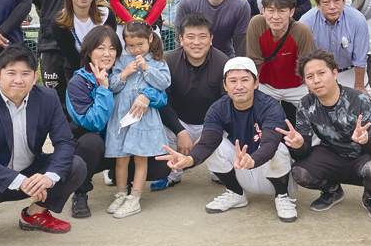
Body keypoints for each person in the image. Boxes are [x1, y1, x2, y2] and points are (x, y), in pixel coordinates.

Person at [0, 44, 87, 246]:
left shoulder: (48, 97)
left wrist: (49, 177)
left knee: (76, 165)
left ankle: (35, 214)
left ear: (35, 77)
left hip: (31, 172)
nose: (18, 80)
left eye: (25, 73)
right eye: (11, 73)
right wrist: (18, 180)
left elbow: (65, 142)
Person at [157, 57, 297, 222]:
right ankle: (235, 193)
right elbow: (208, 141)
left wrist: (253, 159)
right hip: (241, 169)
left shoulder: (270, 106)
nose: (239, 86)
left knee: (279, 149)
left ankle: (282, 196)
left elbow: (270, 144)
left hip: (271, 172)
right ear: (225, 85)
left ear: (256, 83)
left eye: (245, 80)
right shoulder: (218, 108)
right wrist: (188, 160)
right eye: (233, 81)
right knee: (214, 145)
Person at [65, 25, 171, 217]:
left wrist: (147, 93)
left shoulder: (153, 62)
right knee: (100, 147)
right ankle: (85, 192)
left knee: (148, 160)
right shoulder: (80, 81)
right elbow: (95, 121)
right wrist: (106, 85)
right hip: (101, 138)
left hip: (139, 123)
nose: (107, 53)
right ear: (88, 51)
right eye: (100, 48)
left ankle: (133, 196)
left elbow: (163, 92)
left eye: (112, 48)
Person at [281, 49, 371, 220]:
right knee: (299, 171)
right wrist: (298, 145)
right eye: (309, 76)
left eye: (321, 73)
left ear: (334, 73)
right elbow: (304, 151)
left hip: (363, 156)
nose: (316, 80)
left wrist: (365, 140)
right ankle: (332, 190)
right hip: (331, 155)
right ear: (305, 81)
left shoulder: (360, 100)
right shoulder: (306, 104)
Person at [148, 13, 229, 192]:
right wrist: (180, 130)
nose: (196, 42)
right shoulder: (168, 61)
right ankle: (171, 173)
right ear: (181, 39)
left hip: (211, 122)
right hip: (179, 121)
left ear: (211, 39)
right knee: (158, 123)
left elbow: (226, 103)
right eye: (190, 37)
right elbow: (161, 102)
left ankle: (218, 171)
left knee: (230, 127)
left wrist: (209, 131)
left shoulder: (223, 62)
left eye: (202, 37)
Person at [105, 21, 173, 219]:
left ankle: (134, 197)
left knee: (140, 157)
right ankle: (120, 194)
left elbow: (164, 83)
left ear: (150, 39)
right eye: (131, 45)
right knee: (121, 157)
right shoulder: (120, 61)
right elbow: (112, 86)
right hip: (121, 115)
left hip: (143, 117)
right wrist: (124, 74)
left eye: (140, 44)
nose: (136, 49)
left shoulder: (158, 61)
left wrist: (146, 68)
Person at [50, 0, 117, 106]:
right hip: (77, 73)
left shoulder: (107, 16)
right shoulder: (58, 23)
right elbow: (71, 57)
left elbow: (112, 49)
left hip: (108, 73)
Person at [246, 0, 314, 123]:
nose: (276, 16)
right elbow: (254, 61)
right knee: (252, 117)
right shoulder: (256, 24)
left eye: (282, 11)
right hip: (266, 85)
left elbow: (308, 66)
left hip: (297, 86)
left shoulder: (302, 31)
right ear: (263, 10)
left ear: (291, 12)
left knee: (315, 116)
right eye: (271, 10)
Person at [299, 0, 371, 95]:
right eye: (326, 2)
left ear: (344, 1)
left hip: (351, 72)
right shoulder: (306, 23)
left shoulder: (358, 20)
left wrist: (359, 86)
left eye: (337, 0)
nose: (332, 7)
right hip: (319, 73)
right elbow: (305, 59)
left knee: (362, 103)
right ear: (317, 4)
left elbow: (360, 59)